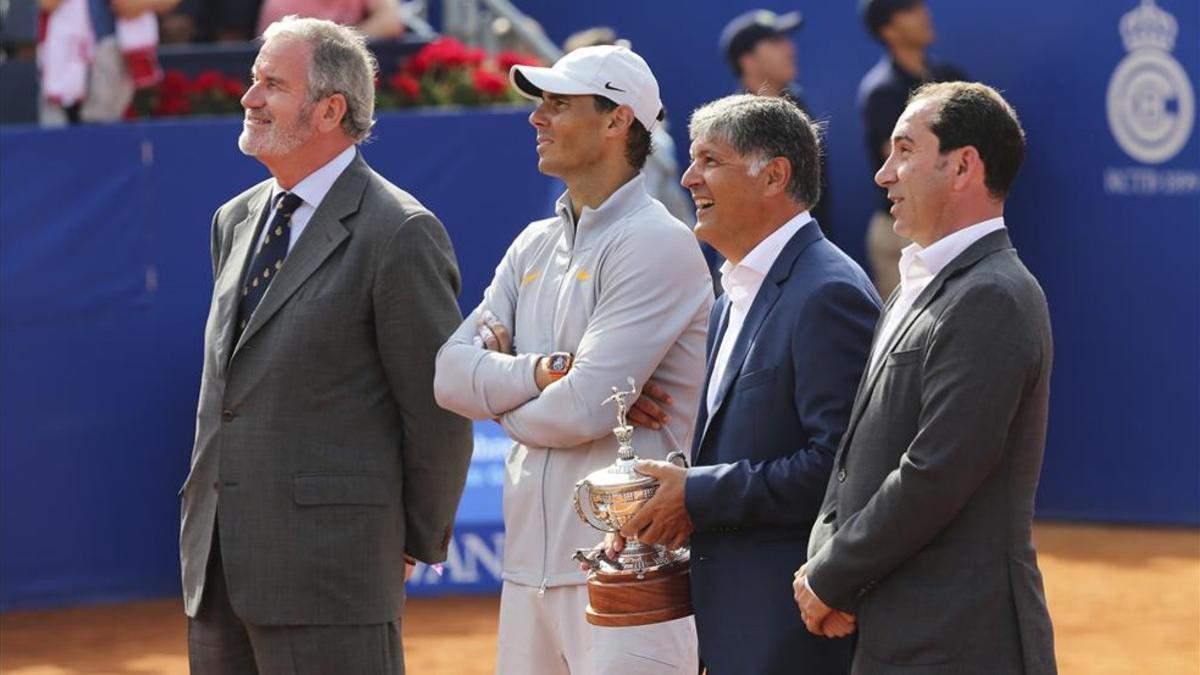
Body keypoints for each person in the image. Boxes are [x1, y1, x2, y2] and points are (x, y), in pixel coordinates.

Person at [179, 16, 472, 673]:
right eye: (254, 80)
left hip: (334, 571)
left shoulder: (399, 232)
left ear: (330, 110)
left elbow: (438, 408)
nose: (249, 98)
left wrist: (408, 540)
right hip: (218, 564)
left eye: (271, 85)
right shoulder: (235, 219)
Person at [433, 45, 710, 675]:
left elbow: (586, 409)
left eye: (559, 103)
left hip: (631, 570)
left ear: (617, 121)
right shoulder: (532, 243)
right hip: (527, 571)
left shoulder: (657, 240)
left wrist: (501, 398)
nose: (538, 117)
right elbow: (448, 375)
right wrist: (545, 374)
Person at [797, 81, 1058, 674]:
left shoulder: (995, 294)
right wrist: (824, 559)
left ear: (963, 165)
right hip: (897, 632)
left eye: (905, 151)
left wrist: (831, 574)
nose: (884, 174)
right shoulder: (912, 288)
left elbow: (936, 470)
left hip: (963, 642)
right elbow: (855, 449)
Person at [619, 94, 880, 674]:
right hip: (738, 626)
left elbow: (839, 468)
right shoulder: (730, 299)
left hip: (796, 634)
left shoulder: (827, 292)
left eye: (710, 160)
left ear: (775, 176)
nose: (688, 178)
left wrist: (697, 493)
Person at [857, 0, 966, 298]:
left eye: (920, 5)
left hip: (953, 228)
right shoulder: (882, 91)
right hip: (903, 233)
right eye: (909, 9)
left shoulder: (951, 77)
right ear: (889, 31)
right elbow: (906, 165)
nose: (924, 14)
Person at [718, 9, 833, 242]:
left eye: (786, 40)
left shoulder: (799, 104)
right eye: (775, 41)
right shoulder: (730, 126)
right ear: (748, 60)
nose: (790, 49)